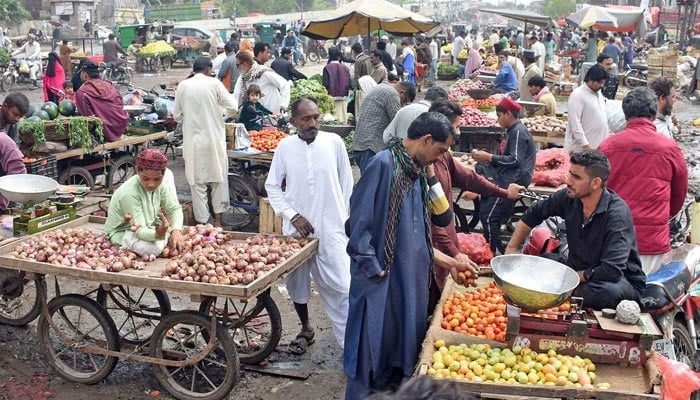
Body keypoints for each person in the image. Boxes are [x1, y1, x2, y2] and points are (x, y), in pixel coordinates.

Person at [344, 112, 471, 399]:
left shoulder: (416, 171)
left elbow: (436, 222)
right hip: (381, 284)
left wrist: (450, 262)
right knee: (369, 359)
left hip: (410, 284)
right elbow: (358, 224)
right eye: (440, 150)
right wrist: (374, 268)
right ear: (426, 139)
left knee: (402, 356)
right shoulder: (384, 165)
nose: (441, 157)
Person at [505, 150, 647, 310]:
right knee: (537, 265)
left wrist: (567, 280)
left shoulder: (617, 215)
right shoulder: (570, 198)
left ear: (595, 183)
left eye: (576, 177)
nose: (568, 181)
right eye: (570, 174)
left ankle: (563, 293)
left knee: (604, 293)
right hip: (576, 268)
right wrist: (512, 248)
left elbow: (612, 270)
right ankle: (563, 292)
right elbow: (534, 213)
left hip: (615, 280)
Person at [265, 97, 353, 354]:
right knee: (297, 284)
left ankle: (351, 345)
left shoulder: (334, 143)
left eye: (316, 117)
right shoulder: (284, 147)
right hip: (297, 232)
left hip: (332, 227)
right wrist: (292, 215)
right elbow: (272, 186)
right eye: (306, 119)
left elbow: (347, 184)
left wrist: (346, 220)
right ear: (294, 121)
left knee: (343, 286)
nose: (313, 123)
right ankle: (306, 328)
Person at [429, 100, 523, 290]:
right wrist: (455, 254)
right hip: (435, 248)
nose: (459, 133)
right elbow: (434, 224)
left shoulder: (443, 156)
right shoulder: (426, 166)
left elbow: (469, 178)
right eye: (456, 127)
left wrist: (503, 192)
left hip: (446, 244)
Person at [598, 88, 688, 275]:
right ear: (655, 113)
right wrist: (660, 216)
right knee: (645, 296)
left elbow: (592, 191)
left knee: (608, 295)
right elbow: (679, 196)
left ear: (625, 113)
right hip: (652, 241)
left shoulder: (607, 147)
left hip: (611, 238)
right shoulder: (670, 148)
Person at [174, 57, 237, 227]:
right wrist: (220, 115)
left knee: (197, 184)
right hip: (214, 141)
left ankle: (202, 225)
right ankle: (218, 223)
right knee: (218, 181)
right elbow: (233, 106)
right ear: (209, 70)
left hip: (193, 142)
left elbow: (176, 116)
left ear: (194, 69)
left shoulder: (183, 86)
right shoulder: (214, 84)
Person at [471, 98, 535, 252]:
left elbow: (515, 160)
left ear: (508, 114)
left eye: (499, 115)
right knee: (482, 168)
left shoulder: (518, 131)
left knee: (488, 217)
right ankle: (496, 247)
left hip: (514, 180)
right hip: (509, 176)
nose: (498, 119)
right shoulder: (514, 130)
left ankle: (492, 254)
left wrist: (489, 157)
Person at [104, 149, 184, 257]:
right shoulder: (129, 193)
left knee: (176, 227)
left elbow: (174, 208)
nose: (151, 184)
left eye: (157, 179)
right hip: (124, 232)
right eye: (146, 179)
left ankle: (167, 235)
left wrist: (177, 230)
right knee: (152, 249)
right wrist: (158, 234)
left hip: (148, 226)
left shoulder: (162, 184)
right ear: (137, 171)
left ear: (163, 173)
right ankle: (165, 236)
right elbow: (139, 231)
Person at [353, 81, 415, 174]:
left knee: (368, 182)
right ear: (402, 92)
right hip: (371, 147)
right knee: (372, 185)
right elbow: (398, 120)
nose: (402, 104)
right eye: (404, 101)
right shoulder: (392, 94)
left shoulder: (379, 87)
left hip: (360, 144)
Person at [75, 61, 128, 142]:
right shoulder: (110, 85)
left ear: (85, 74)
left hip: (104, 133)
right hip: (120, 128)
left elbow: (88, 118)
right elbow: (120, 104)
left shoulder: (82, 93)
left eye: (81, 73)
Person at [565, 64, 609, 152]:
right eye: (599, 82)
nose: (602, 86)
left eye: (603, 83)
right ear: (590, 80)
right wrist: (585, 145)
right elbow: (575, 123)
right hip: (582, 150)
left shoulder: (599, 93)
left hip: (598, 147)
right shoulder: (578, 95)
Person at [383, 86, 447, 143]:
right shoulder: (434, 116)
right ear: (440, 102)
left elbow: (386, 138)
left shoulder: (403, 110)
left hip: (398, 154)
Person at [352, 43, 373, 117]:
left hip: (362, 88)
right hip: (371, 85)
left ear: (354, 51)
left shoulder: (358, 61)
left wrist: (355, 89)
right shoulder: (368, 58)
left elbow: (356, 77)